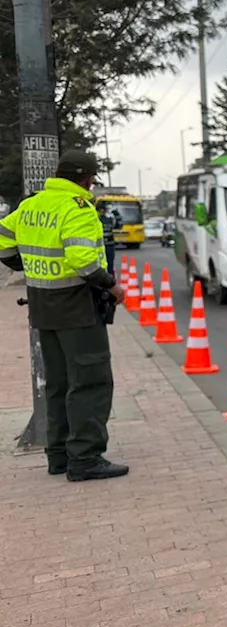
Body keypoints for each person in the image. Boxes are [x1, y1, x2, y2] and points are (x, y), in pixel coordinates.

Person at [0, 150, 129, 482]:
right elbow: (83, 260)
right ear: (86, 179)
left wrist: (24, 265)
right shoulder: (78, 208)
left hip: (43, 306)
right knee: (90, 381)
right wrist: (112, 287)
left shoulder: (30, 205)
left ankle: (58, 455)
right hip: (77, 308)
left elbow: (2, 242)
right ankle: (85, 458)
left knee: (58, 383)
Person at [97, 204, 117, 271]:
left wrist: (117, 216)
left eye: (103, 211)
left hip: (109, 245)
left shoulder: (110, 219)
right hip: (99, 246)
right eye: (100, 211)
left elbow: (117, 226)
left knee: (110, 264)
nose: (102, 212)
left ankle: (110, 278)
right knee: (99, 265)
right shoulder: (95, 220)